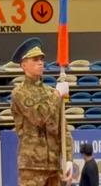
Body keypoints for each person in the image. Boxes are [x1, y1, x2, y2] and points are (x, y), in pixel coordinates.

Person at [10, 37, 71, 186]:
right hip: (32, 166)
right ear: (23, 65)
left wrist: (68, 159)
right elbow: (39, 117)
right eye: (35, 59)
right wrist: (57, 94)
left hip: (54, 165)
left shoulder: (50, 92)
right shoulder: (19, 93)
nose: (40, 63)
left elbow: (63, 128)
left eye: (41, 59)